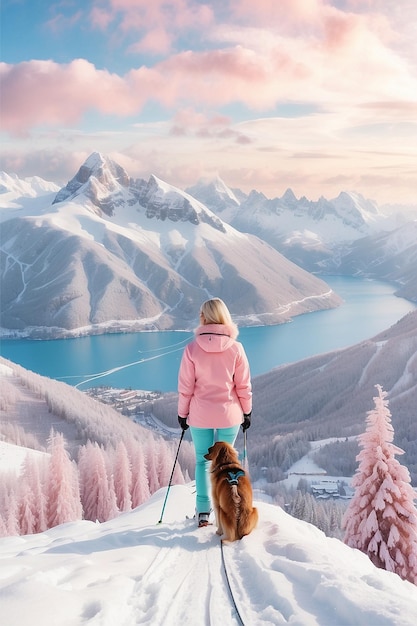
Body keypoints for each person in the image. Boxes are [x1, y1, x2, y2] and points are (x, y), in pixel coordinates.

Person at [177, 297, 252, 527]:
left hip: (200, 415)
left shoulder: (191, 349)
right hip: (229, 415)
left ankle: (202, 512)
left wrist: (182, 414)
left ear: (204, 317)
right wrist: (247, 412)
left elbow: (185, 387)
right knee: (228, 465)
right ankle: (229, 510)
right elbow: (243, 385)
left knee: (202, 463)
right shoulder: (236, 349)